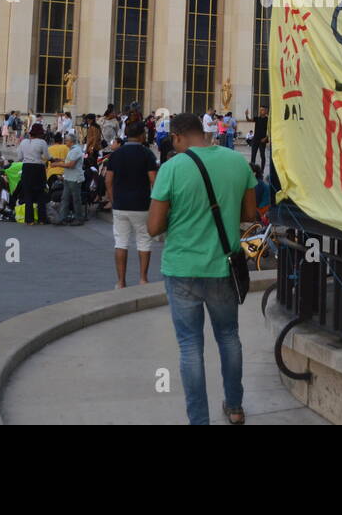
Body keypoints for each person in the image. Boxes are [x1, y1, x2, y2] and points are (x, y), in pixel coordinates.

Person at [147, 113, 257, 425]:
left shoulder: (171, 168)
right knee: (229, 336)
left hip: (182, 267)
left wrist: (180, 215)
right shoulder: (237, 163)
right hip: (223, 266)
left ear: (179, 136)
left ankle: (199, 419)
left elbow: (154, 227)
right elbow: (250, 212)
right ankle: (235, 407)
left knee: (190, 346)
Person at [105, 122, 159, 285]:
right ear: (142, 135)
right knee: (144, 240)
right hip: (141, 204)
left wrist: (112, 199)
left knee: (121, 242)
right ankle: (143, 278)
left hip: (120, 204)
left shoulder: (116, 154)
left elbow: (108, 180)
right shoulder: (147, 154)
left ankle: (121, 281)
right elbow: (153, 180)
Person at [17, 123, 49, 225]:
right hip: (38, 168)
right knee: (40, 193)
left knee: (28, 193)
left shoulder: (23, 142)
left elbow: (19, 157)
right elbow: (47, 157)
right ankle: (42, 219)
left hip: (27, 168)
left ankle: (29, 219)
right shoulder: (42, 142)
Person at [55, 131, 86, 226]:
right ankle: (62, 218)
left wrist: (58, 164)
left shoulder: (76, 150)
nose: (65, 142)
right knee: (65, 198)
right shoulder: (72, 150)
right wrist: (60, 160)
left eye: (66, 141)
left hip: (75, 178)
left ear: (71, 141)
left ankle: (79, 218)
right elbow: (69, 161)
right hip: (69, 178)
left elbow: (71, 165)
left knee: (76, 199)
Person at [250, 106, 269, 172]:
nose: (261, 111)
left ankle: (262, 170)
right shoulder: (257, 118)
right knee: (253, 155)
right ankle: (252, 169)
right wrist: (246, 115)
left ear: (266, 111)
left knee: (262, 155)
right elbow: (249, 120)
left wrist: (266, 138)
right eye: (260, 110)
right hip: (255, 139)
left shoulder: (268, 120)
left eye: (262, 110)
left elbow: (270, 130)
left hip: (262, 140)